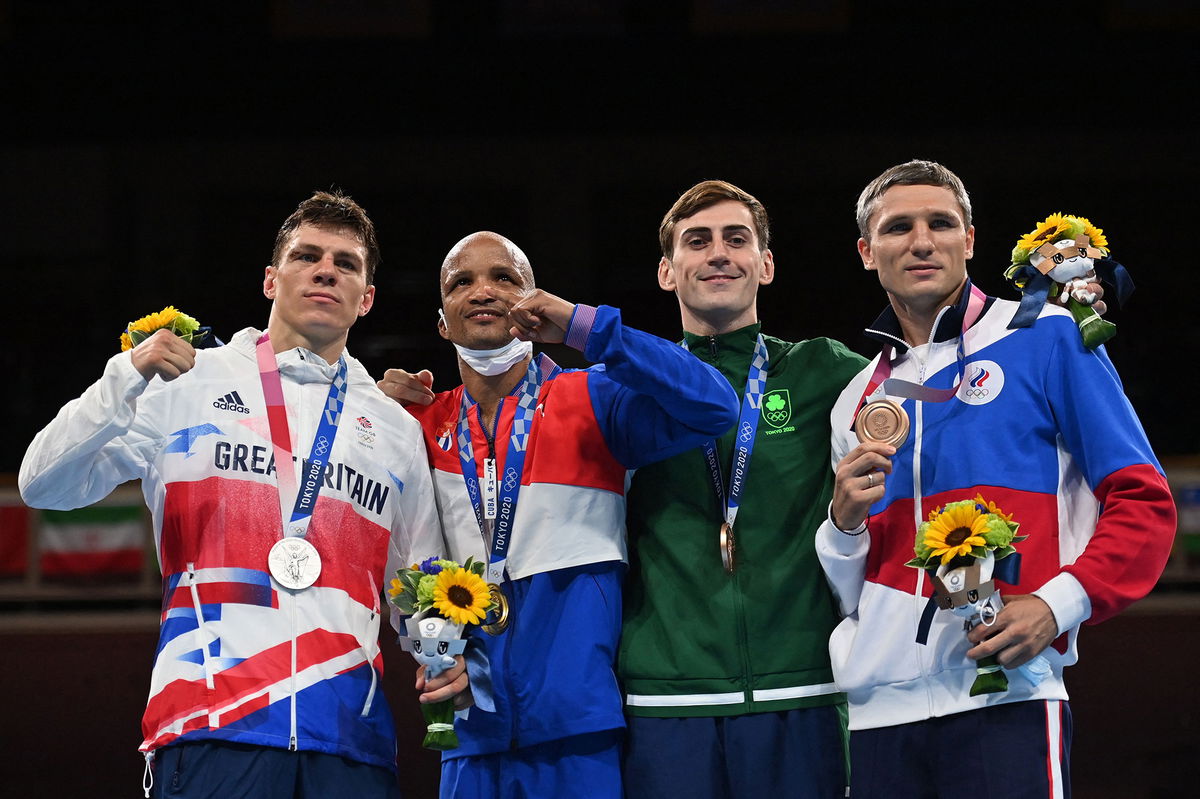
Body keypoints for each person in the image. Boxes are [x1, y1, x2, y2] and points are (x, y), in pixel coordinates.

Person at [19, 191, 441, 798]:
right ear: (271, 279)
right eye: (307, 256)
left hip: (351, 738)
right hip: (209, 724)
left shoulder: (393, 426)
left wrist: (443, 653)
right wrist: (127, 375)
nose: (326, 270)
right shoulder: (185, 382)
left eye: (346, 263)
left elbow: (417, 585)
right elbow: (41, 483)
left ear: (367, 297)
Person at [816, 159, 1176, 798]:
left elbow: (1143, 501)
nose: (922, 241)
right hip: (879, 713)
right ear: (868, 252)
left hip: (1006, 697)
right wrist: (842, 524)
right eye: (898, 228)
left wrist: (1057, 605)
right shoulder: (857, 400)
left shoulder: (1047, 337)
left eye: (940, 223)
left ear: (971, 240)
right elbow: (853, 589)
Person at [375, 230, 739, 799]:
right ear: (442, 323)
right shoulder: (416, 425)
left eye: (505, 278)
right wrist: (372, 409)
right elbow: (391, 562)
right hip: (467, 732)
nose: (483, 291)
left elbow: (715, 405)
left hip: (579, 730)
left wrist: (586, 327)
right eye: (461, 281)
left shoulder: (594, 399)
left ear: (533, 303)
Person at [617, 180, 868, 798]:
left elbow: (935, 406)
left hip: (802, 688)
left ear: (766, 264)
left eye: (737, 239)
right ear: (667, 272)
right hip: (664, 695)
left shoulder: (824, 371)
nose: (718, 254)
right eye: (696, 242)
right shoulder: (623, 390)